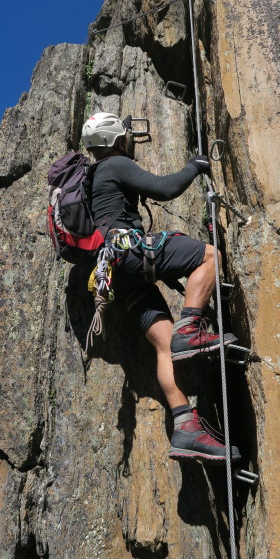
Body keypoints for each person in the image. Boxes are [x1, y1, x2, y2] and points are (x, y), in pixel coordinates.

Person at [82, 112, 241, 462]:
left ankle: (185, 426)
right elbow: (166, 189)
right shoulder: (115, 165)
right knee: (210, 256)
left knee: (166, 346)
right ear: (116, 141)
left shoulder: (92, 178)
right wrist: (195, 165)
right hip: (129, 252)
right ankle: (192, 328)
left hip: (115, 274)